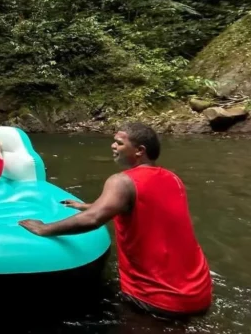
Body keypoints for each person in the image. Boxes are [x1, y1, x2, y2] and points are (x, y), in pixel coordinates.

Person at [19, 122, 212, 317]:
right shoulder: (172, 178)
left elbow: (93, 219)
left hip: (156, 297)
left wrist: (45, 228)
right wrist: (89, 205)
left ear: (139, 150)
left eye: (119, 143)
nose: (113, 146)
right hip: (199, 290)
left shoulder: (121, 181)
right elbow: (144, 206)